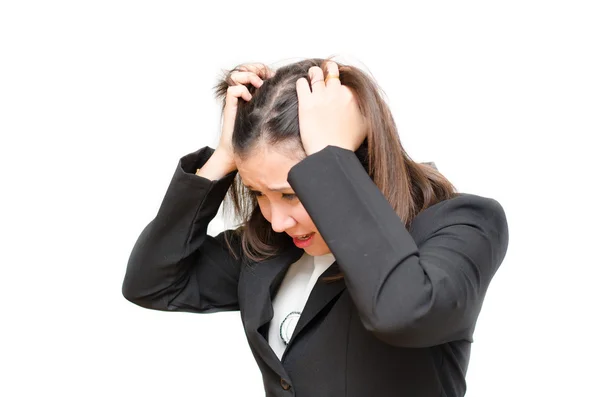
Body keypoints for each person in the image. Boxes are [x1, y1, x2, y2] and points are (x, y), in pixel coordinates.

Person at [122, 58, 509, 396]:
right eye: (258, 193)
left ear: (354, 164)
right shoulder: (271, 247)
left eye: (291, 194)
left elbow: (403, 313)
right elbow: (153, 283)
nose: (276, 220)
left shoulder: (464, 224)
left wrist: (329, 159)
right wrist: (223, 158)